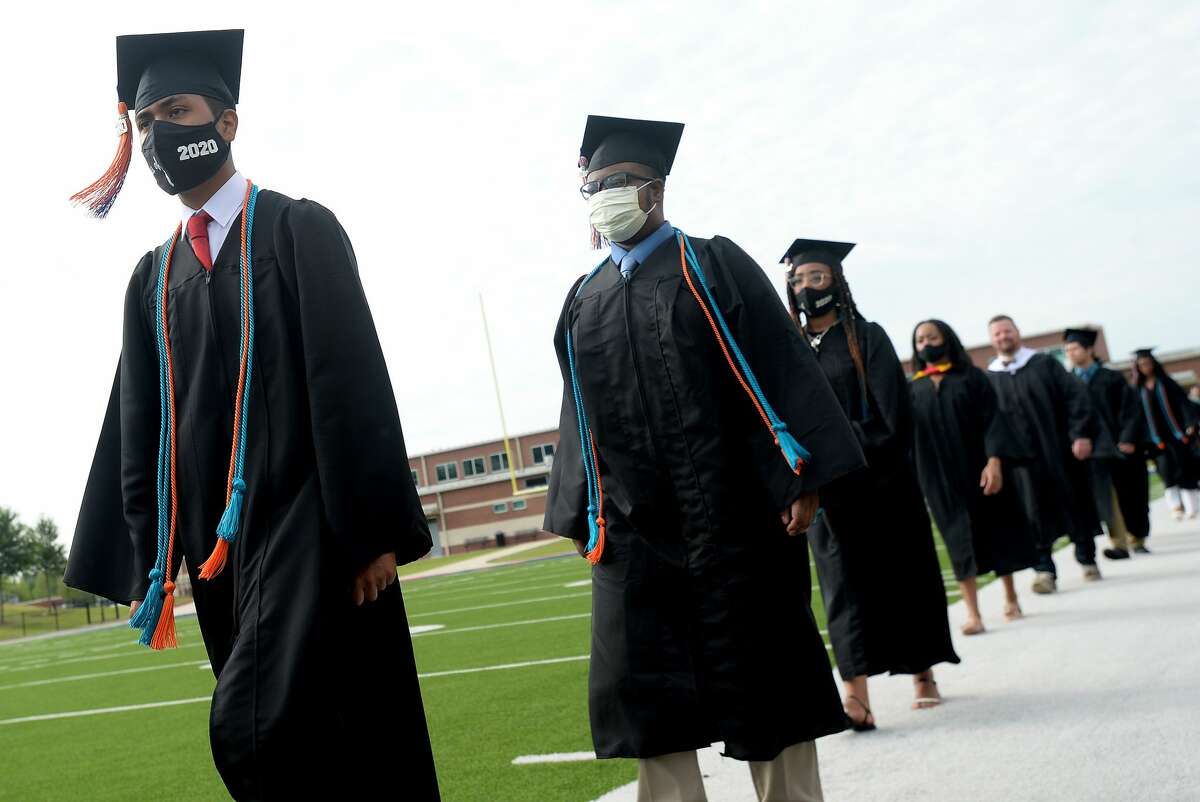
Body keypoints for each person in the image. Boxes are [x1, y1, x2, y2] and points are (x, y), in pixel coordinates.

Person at [62, 30, 439, 800]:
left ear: (225, 123)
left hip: (315, 531)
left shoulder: (297, 230)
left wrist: (371, 533)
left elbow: (353, 380)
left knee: (271, 727)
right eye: (145, 122)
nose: (160, 133)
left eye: (177, 110)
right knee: (320, 746)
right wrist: (149, 556)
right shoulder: (153, 278)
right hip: (217, 551)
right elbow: (141, 421)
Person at [544, 116, 866, 802]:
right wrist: (582, 512)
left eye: (616, 185)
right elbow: (578, 414)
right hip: (634, 535)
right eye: (592, 188)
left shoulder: (709, 264)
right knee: (650, 696)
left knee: (767, 683)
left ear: (654, 190)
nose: (602, 197)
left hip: (737, 518)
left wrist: (801, 479)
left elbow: (779, 368)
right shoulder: (586, 297)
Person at [784, 241, 959, 730]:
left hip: (880, 482)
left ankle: (922, 673)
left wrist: (834, 453)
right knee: (841, 588)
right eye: (798, 280)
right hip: (826, 494)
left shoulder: (867, 337)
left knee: (901, 576)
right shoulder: (792, 350)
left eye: (816, 278)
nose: (806, 288)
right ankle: (855, 695)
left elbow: (893, 419)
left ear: (837, 282)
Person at [909, 319, 1037, 635]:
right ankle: (973, 614)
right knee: (956, 541)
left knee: (995, 531)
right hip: (939, 479)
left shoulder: (971, 378)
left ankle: (1010, 596)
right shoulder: (914, 388)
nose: (926, 344)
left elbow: (993, 420)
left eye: (932, 337)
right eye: (920, 340)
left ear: (947, 340)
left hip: (978, 470)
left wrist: (994, 463)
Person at [985, 315, 1103, 593]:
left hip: (1059, 450)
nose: (1003, 337)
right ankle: (1044, 572)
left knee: (1074, 503)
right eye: (997, 334)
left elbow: (1076, 398)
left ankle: (1087, 560)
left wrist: (1080, 434)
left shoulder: (1044, 364)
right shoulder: (990, 378)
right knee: (1031, 515)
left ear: (1017, 332)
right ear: (992, 340)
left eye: (1007, 331)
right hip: (1020, 462)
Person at [1063, 329, 1151, 556]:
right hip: (1094, 451)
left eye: (1074, 348)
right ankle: (1118, 543)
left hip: (1121, 447)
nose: (1070, 353)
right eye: (1067, 350)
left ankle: (1137, 537)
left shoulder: (1111, 378)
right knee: (1106, 497)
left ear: (1089, 349)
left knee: (1131, 494)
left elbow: (1131, 411)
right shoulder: (1069, 382)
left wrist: (1128, 438)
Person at [1133, 349, 1200, 520]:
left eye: (1147, 363)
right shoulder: (1137, 390)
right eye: (1141, 365)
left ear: (1154, 364)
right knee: (1166, 471)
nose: (1145, 367)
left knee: (1185, 469)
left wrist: (1190, 424)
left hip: (1177, 436)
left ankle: (1192, 506)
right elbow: (1137, 416)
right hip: (1155, 440)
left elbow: (1184, 404)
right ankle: (1175, 506)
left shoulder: (1167, 383)